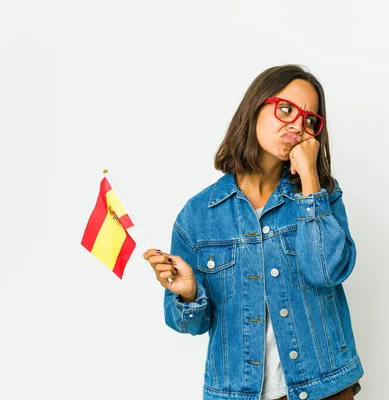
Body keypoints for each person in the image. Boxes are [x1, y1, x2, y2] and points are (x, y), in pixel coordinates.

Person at [143, 64, 364, 400]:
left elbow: (326, 271)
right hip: (235, 392)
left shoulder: (322, 197)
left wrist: (309, 180)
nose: (297, 125)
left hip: (325, 388)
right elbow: (189, 324)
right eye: (286, 109)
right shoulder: (199, 216)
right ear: (255, 108)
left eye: (309, 120)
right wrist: (188, 294)